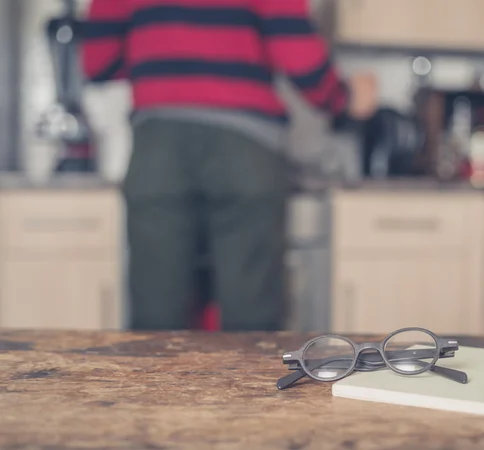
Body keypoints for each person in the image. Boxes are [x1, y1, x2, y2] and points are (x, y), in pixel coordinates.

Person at [81, 0, 377, 331]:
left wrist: (168, 61)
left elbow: (97, 62)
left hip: (158, 146)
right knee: (251, 321)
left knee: (156, 322)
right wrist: (346, 97)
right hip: (245, 148)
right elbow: (299, 57)